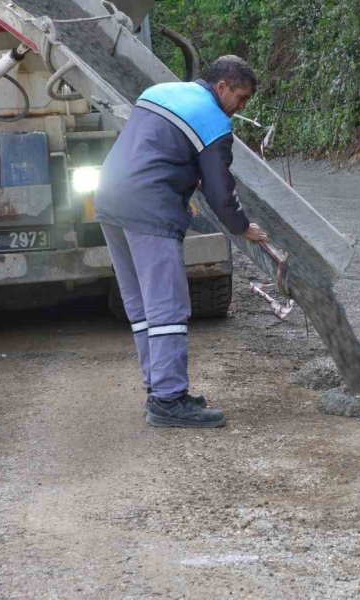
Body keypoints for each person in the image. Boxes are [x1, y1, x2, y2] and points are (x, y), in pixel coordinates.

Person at [94, 55, 268, 428]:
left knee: (141, 306)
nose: (241, 107)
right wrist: (241, 227)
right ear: (222, 87)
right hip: (148, 208)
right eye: (240, 97)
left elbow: (159, 148)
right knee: (168, 306)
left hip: (109, 199)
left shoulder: (161, 91)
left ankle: (158, 389)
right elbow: (221, 192)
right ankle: (170, 401)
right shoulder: (213, 120)